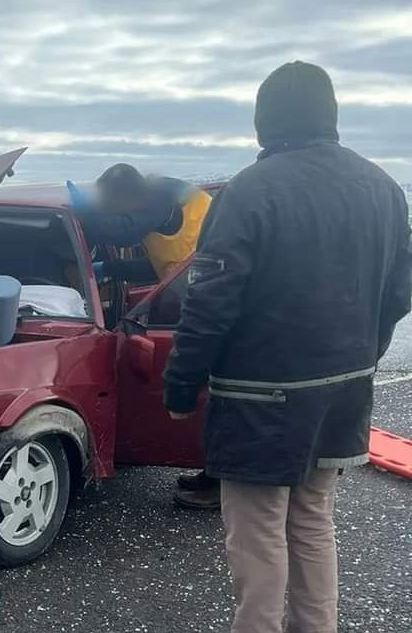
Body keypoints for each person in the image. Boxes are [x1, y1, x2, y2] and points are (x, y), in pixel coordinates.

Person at [164, 61, 411, 633]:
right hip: (344, 391)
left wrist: (181, 385)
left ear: (264, 121)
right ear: (330, 115)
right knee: (312, 519)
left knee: (256, 534)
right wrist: (362, 357)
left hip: (261, 396)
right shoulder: (382, 187)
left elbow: (210, 301)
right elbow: (397, 294)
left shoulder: (251, 190)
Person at [75, 164, 212, 283]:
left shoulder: (162, 197)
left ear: (126, 196)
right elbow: (161, 267)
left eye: (113, 207)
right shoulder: (157, 217)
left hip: (216, 286)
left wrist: (86, 214)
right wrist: (107, 269)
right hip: (198, 283)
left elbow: (125, 233)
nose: (115, 214)